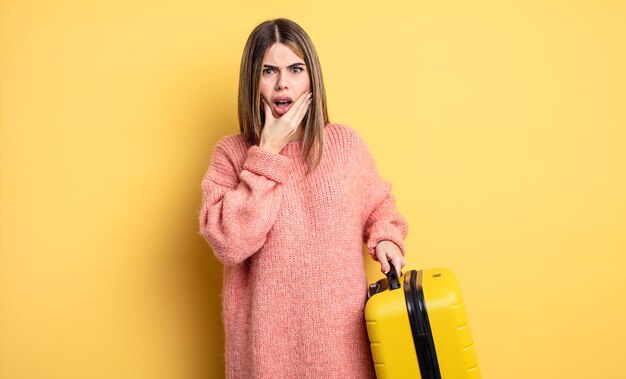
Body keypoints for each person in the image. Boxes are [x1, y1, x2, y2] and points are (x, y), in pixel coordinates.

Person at [198, 18, 408, 379]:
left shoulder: (344, 145)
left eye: (295, 69)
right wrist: (267, 152)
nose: (283, 83)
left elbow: (379, 206)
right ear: (253, 81)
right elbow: (230, 243)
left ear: (311, 78)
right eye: (269, 71)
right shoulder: (231, 155)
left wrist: (387, 238)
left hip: (344, 347)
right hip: (266, 354)